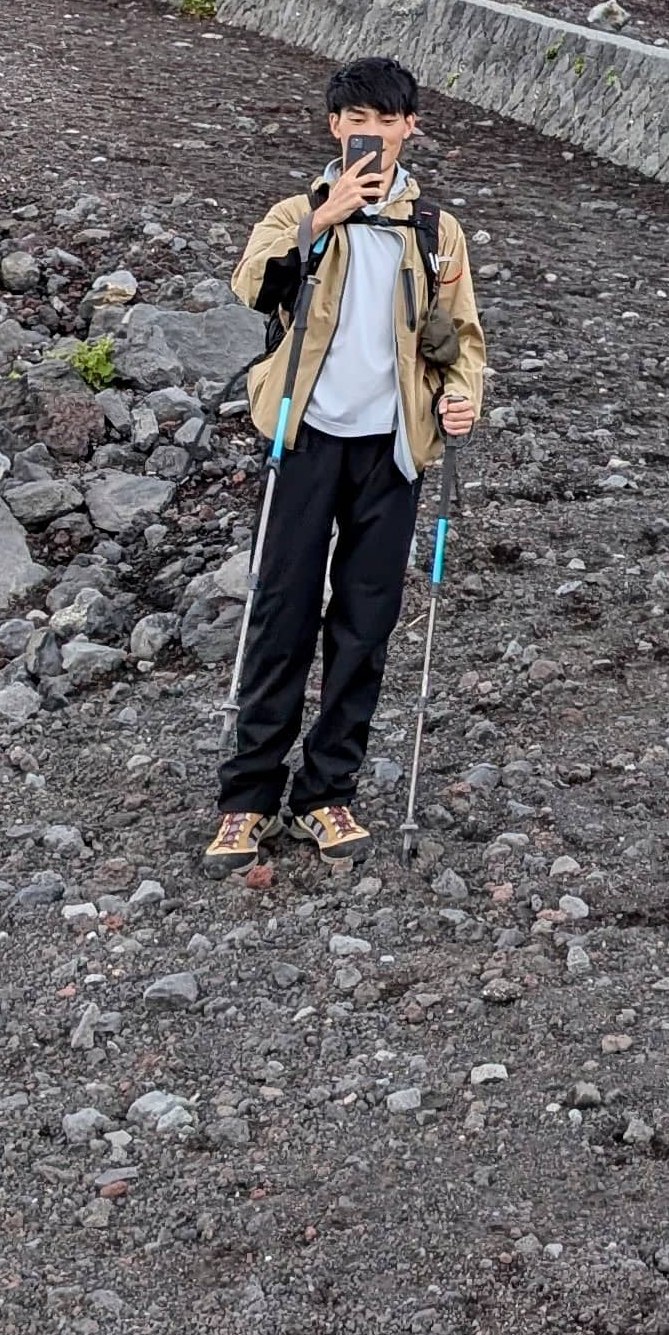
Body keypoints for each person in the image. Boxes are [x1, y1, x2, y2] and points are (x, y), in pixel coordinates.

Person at [205, 55, 488, 871]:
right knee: (280, 612)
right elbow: (252, 285)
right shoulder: (296, 209)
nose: (370, 131)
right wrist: (324, 218)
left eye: (386, 118)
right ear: (334, 126)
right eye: (354, 117)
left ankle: (329, 795)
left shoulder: (435, 230)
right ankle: (247, 801)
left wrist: (463, 396)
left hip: (394, 447)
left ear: (409, 127)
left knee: (366, 626)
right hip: (305, 437)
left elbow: (461, 336)